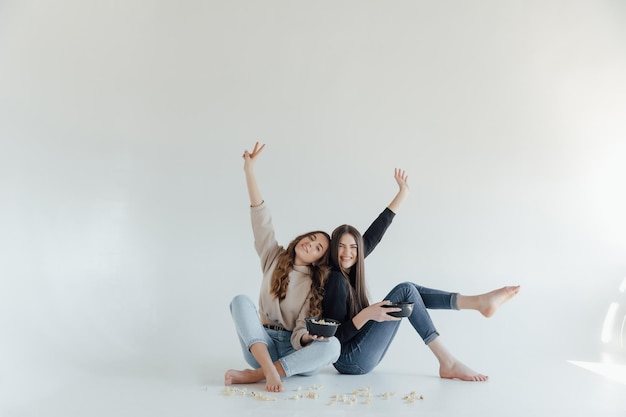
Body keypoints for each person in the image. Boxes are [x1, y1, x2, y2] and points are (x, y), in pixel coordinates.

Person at [322, 168, 520, 381]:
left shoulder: (352, 266)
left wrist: (403, 193)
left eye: (353, 247)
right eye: (341, 247)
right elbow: (334, 340)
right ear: (334, 250)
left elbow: (376, 232)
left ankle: (478, 302)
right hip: (349, 360)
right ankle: (449, 359)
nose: (347, 253)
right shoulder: (335, 280)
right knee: (406, 290)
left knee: (409, 292)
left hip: (360, 356)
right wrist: (367, 314)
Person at [224, 142, 340, 392]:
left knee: (333, 347)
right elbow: (260, 217)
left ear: (318, 260)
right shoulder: (272, 256)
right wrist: (249, 171)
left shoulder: (313, 284)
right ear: (301, 239)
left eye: (318, 247)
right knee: (240, 301)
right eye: (310, 239)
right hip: (260, 344)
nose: (310, 245)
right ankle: (266, 368)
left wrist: (309, 336)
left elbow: (301, 329)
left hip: (291, 350)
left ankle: (258, 375)